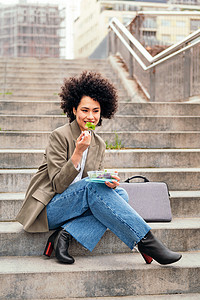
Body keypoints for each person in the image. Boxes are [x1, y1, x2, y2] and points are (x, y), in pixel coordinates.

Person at [16, 71, 182, 265]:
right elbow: (58, 185)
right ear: (74, 110)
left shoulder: (99, 143)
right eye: (85, 110)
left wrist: (108, 182)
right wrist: (78, 152)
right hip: (49, 209)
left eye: (96, 111)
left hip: (76, 206)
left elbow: (94, 182)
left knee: (121, 195)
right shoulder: (59, 136)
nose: (91, 116)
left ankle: (64, 235)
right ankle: (146, 242)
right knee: (91, 187)